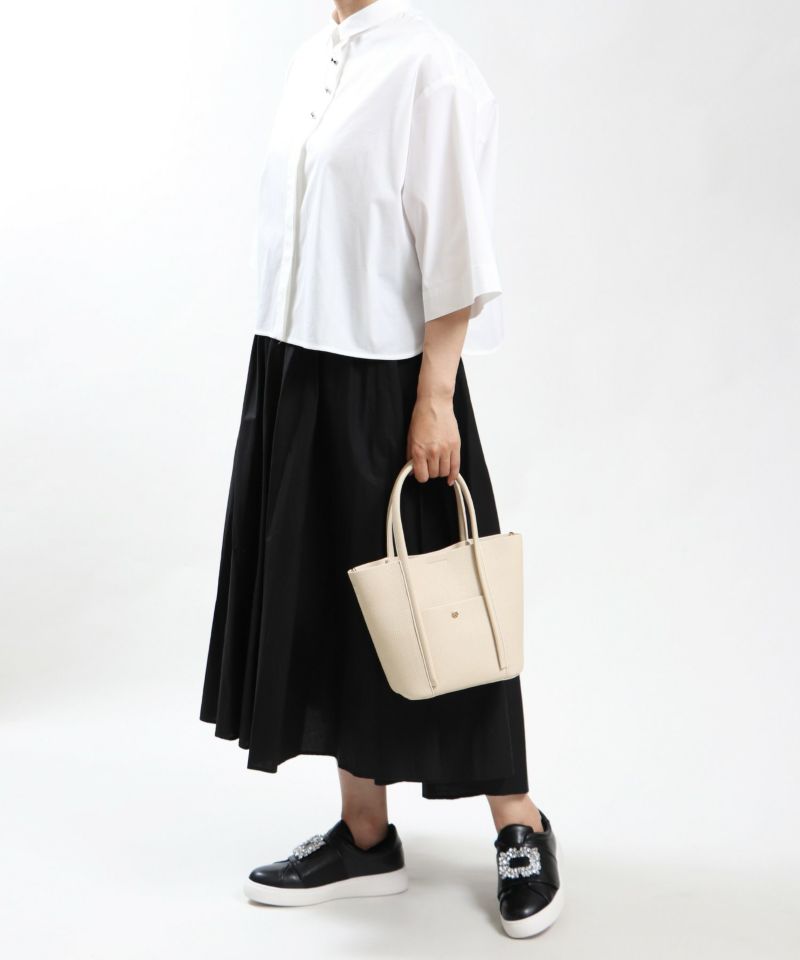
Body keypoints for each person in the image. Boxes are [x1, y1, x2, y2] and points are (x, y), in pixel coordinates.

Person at [199, 0, 563, 939]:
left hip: (389, 378)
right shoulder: (315, 58)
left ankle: (519, 824)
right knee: (329, 602)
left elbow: (456, 246)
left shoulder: (429, 69)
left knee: (444, 605)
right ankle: (365, 836)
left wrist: (435, 394)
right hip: (295, 367)